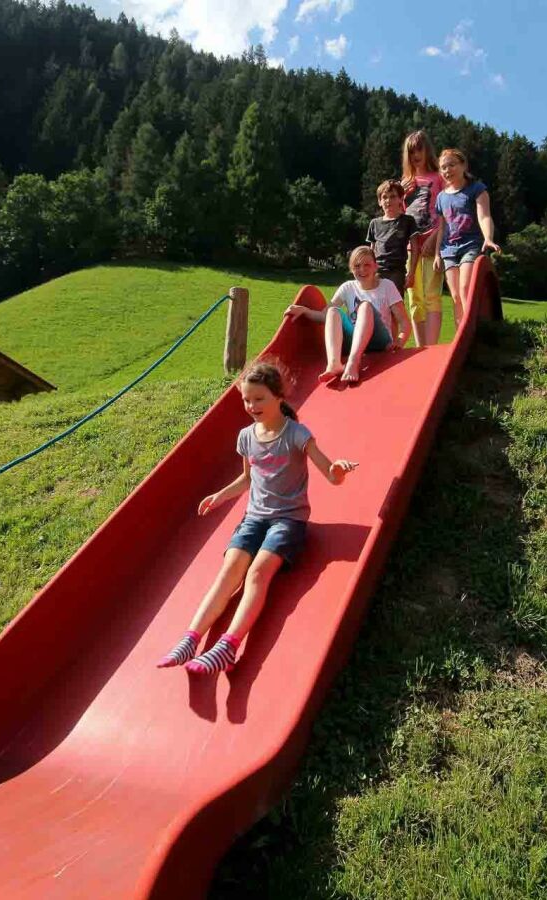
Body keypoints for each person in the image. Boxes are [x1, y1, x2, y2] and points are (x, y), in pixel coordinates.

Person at [156, 360, 356, 674]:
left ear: (279, 397)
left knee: (257, 573)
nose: (252, 406)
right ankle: (190, 638)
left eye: (259, 398)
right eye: (247, 400)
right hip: (254, 517)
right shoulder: (246, 436)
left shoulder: (296, 434)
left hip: (288, 520)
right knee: (229, 570)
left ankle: (228, 646)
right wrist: (220, 496)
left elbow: (330, 474)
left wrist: (338, 471)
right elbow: (247, 479)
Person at [285, 246, 412, 385]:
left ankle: (353, 362)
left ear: (376, 267)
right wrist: (305, 311)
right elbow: (325, 316)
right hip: (354, 341)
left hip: (379, 341)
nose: (362, 270)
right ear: (351, 269)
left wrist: (399, 342)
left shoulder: (387, 286)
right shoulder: (347, 287)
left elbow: (404, 322)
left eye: (367, 265)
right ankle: (334, 363)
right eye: (357, 266)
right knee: (333, 311)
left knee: (364, 306)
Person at [433, 148, 500, 323]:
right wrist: (436, 254)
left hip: (470, 245)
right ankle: (460, 339)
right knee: (455, 296)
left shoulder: (476, 189)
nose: (447, 170)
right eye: (443, 167)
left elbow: (484, 216)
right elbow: (441, 228)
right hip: (448, 250)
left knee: (465, 289)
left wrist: (488, 238)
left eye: (451, 165)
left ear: (463, 165)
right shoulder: (441, 197)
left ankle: (473, 331)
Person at [400, 131, 446, 347]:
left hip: (432, 245)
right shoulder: (405, 183)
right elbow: (398, 217)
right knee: (415, 298)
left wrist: (434, 238)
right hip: (411, 248)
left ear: (428, 150)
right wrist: (401, 194)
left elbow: (447, 214)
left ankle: (432, 348)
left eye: (419, 149)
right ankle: (420, 348)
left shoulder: (439, 178)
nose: (415, 154)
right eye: (411, 151)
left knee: (431, 295)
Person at [365, 179, 418, 299]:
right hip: (377, 271)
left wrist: (412, 273)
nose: (388, 201)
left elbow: (415, 248)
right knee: (374, 303)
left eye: (393, 196)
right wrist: (369, 270)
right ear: (379, 201)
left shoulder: (407, 221)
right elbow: (371, 250)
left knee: (394, 306)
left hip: (396, 271)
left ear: (400, 199)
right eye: (384, 197)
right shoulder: (374, 223)